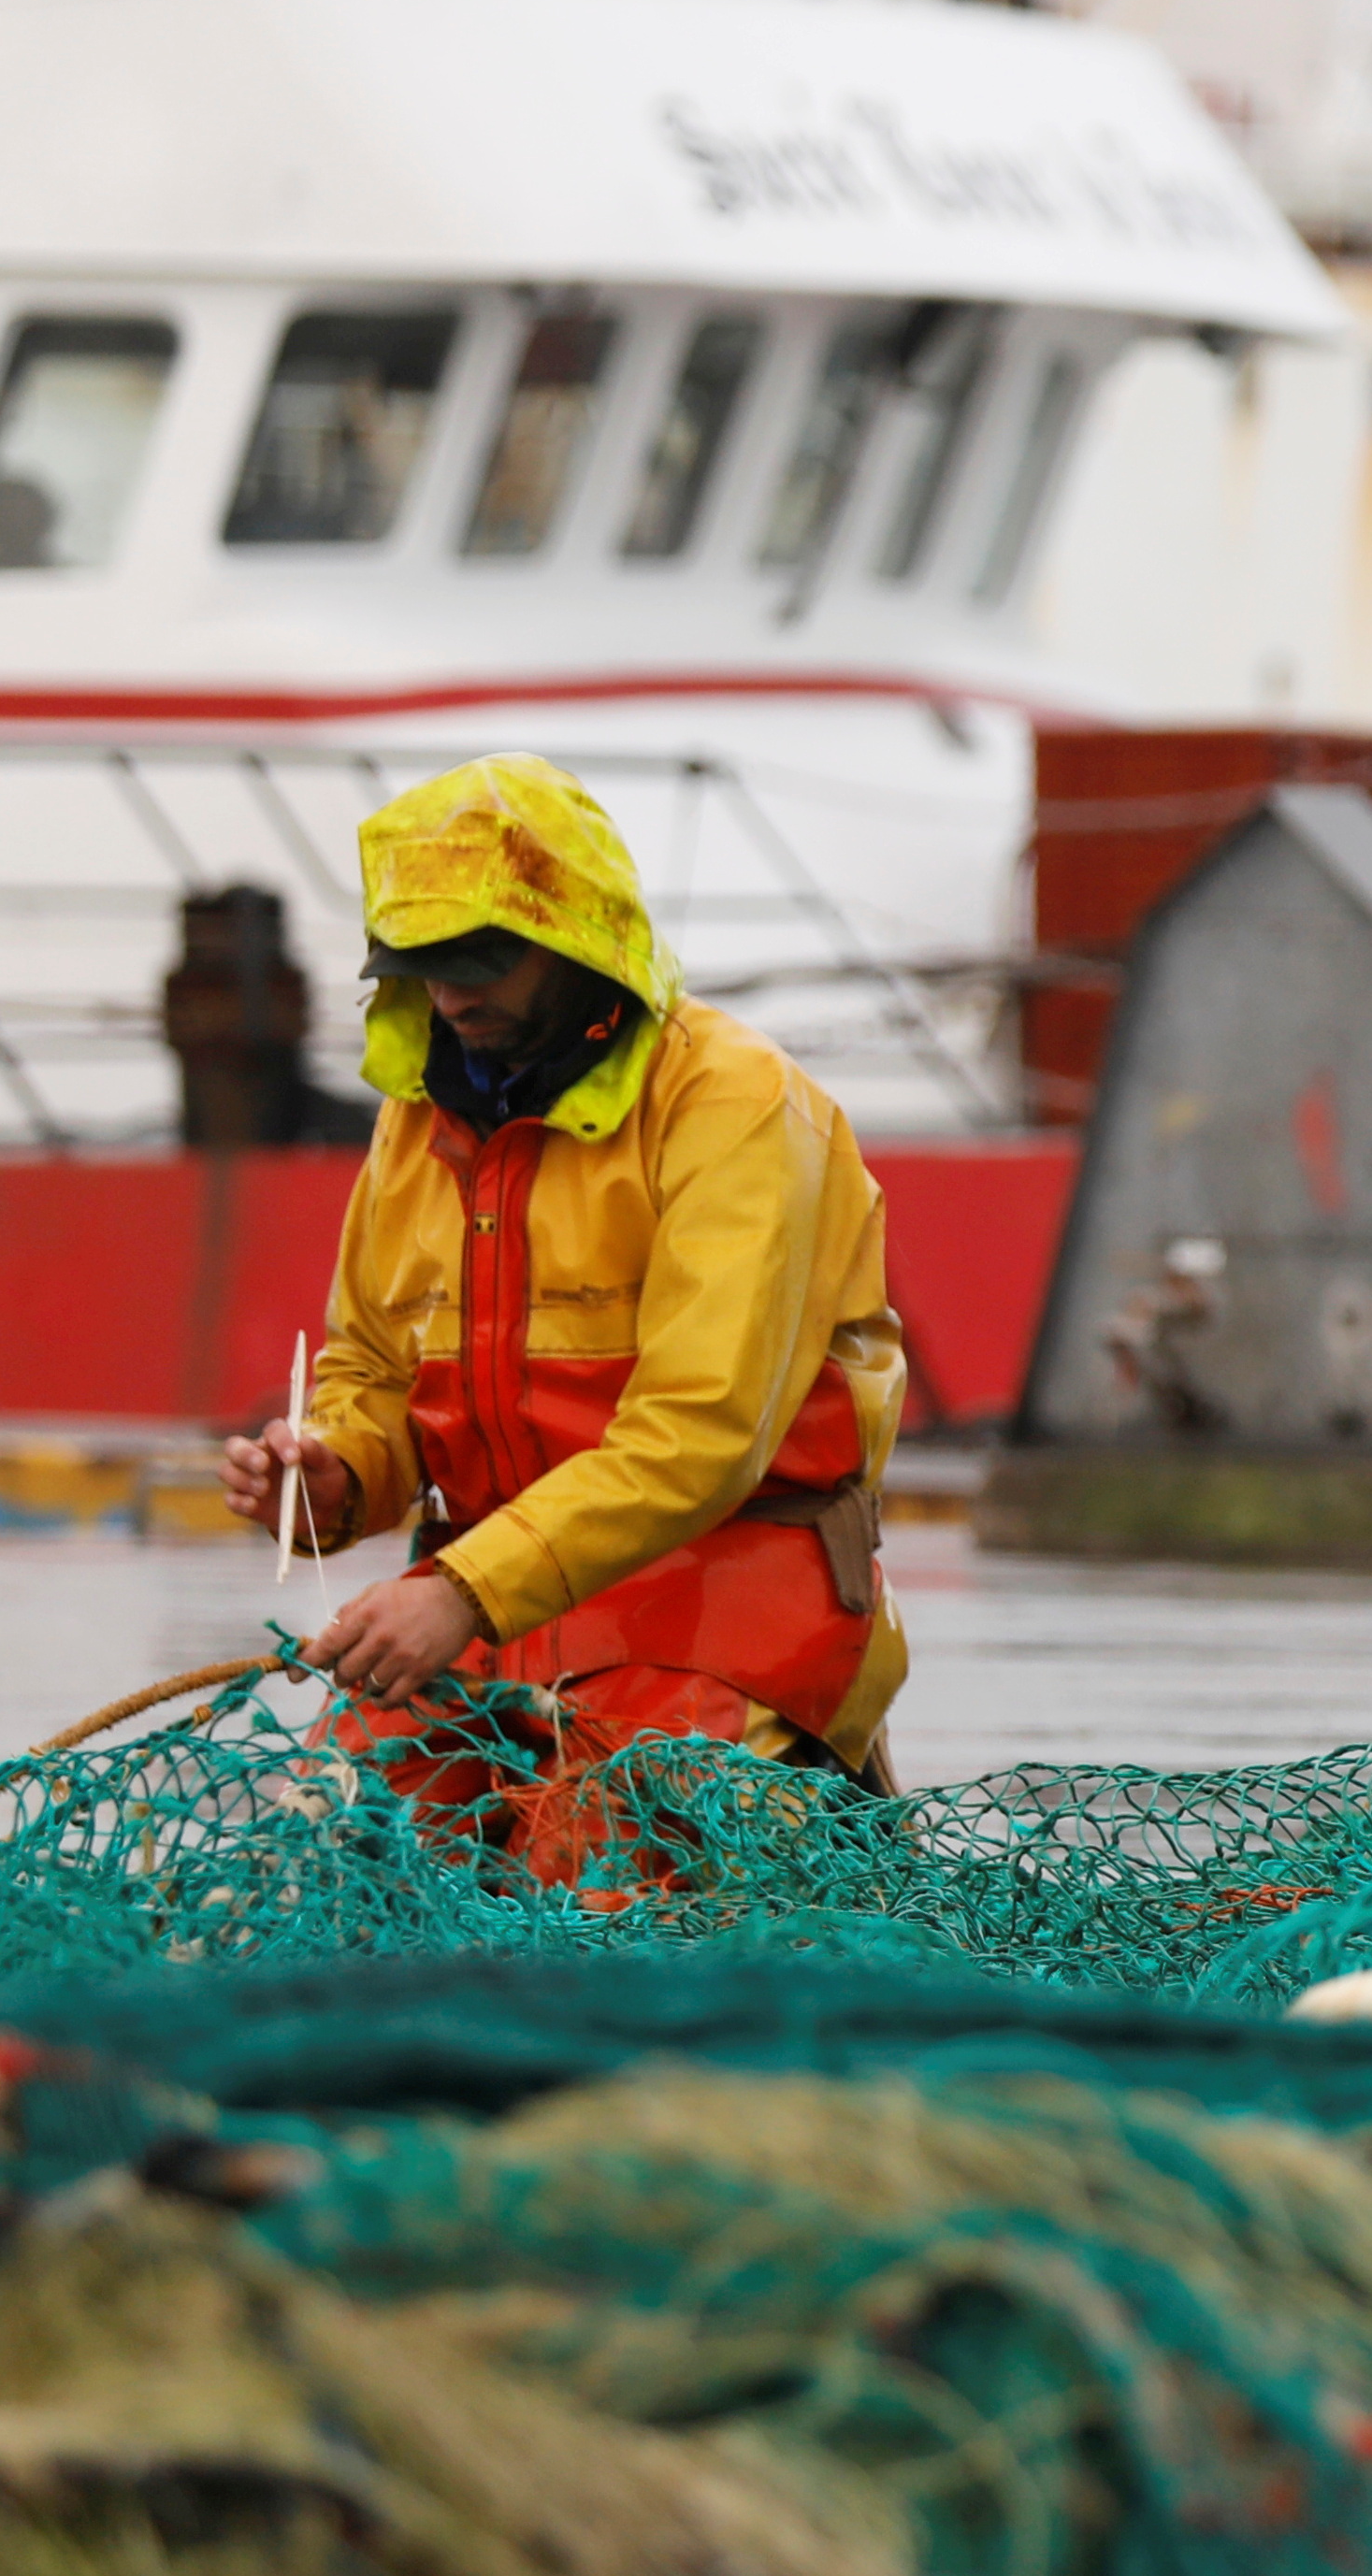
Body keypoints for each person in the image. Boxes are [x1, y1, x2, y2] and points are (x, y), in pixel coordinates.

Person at [217, 755, 910, 1864]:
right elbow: (374, 1371)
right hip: (481, 1622)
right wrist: (333, 1474)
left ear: (581, 941)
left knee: (603, 1877)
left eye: (481, 961)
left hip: (719, 1621)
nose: (450, 996)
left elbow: (699, 1437)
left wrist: (462, 1589)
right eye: (422, 966)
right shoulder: (415, 1120)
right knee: (326, 1858)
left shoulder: (732, 1103)